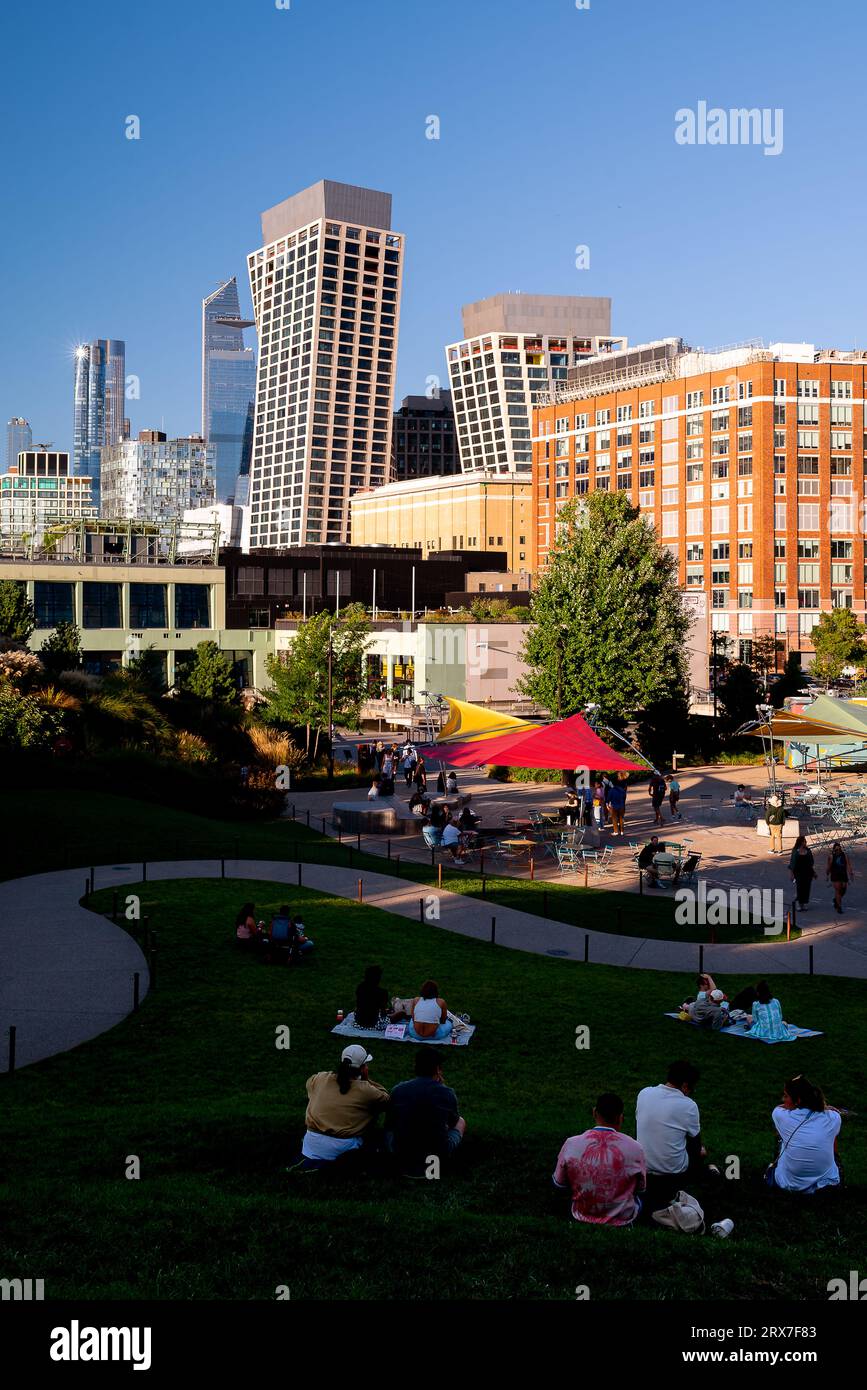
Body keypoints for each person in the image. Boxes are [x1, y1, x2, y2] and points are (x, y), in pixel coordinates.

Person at [552, 1092, 647, 1226]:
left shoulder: (571, 1144)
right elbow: (641, 1188)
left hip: (581, 1215)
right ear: (621, 1118)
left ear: (594, 1112)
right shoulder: (636, 1148)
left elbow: (559, 1183)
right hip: (622, 1220)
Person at [636, 1060, 717, 1208]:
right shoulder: (689, 1106)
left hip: (642, 1168)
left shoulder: (644, 1093)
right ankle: (703, 1174)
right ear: (685, 1086)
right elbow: (695, 1146)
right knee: (701, 1152)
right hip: (672, 1174)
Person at [298, 1045, 390, 1168]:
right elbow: (386, 1100)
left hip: (310, 1145)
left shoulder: (320, 1078)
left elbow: (310, 1086)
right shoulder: (366, 1090)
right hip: (343, 1148)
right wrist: (366, 1080)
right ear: (363, 1069)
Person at [384, 1047, 466, 1173]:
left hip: (401, 1152)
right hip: (435, 1156)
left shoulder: (398, 1090)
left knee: (390, 1129)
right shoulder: (447, 1093)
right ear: (438, 1070)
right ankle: (435, 1164)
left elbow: (389, 1123)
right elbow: (452, 1123)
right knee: (460, 1122)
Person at [769, 1075, 843, 1194]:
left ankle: (779, 1166)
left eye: (786, 1096)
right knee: (831, 1136)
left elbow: (779, 1107)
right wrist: (824, 1108)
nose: (783, 1099)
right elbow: (829, 1114)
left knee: (781, 1136)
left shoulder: (781, 1116)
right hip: (827, 1184)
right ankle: (831, 1173)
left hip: (788, 1183)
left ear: (798, 1101)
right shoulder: (833, 1117)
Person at [789, 836, 816, 911]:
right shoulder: (795, 851)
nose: (806, 843)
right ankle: (799, 903)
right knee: (800, 888)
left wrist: (813, 873)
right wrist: (791, 874)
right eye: (804, 841)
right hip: (798, 873)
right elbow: (792, 863)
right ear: (801, 842)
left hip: (808, 872)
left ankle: (804, 904)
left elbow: (811, 862)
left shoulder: (808, 851)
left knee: (806, 888)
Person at [826, 841, 853, 915]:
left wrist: (850, 873)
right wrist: (827, 874)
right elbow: (828, 866)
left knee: (843, 890)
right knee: (838, 890)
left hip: (843, 874)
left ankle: (836, 900)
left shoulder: (845, 855)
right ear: (834, 850)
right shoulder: (831, 856)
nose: (838, 851)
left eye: (839, 849)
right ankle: (839, 906)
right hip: (835, 875)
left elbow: (848, 865)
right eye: (836, 850)